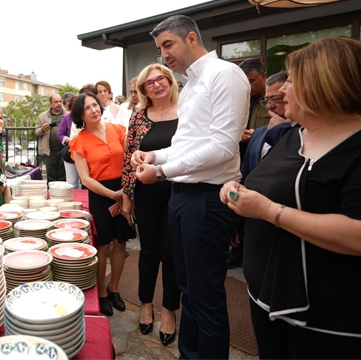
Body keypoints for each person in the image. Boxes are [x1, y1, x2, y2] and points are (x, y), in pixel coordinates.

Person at [220, 37, 361, 359]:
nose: (283, 90)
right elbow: (260, 184)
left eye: (293, 80)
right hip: (265, 296)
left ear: (325, 85)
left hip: (327, 320)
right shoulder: (292, 135)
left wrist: (269, 211)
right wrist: (235, 190)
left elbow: (357, 234)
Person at [131, 15, 249, 359]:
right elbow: (188, 145)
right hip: (182, 199)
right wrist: (153, 155)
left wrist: (163, 171)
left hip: (205, 200)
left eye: (168, 44)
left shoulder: (223, 74)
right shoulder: (193, 84)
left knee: (206, 295)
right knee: (188, 291)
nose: (164, 55)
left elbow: (223, 147)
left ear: (192, 38)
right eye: (159, 49)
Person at [122, 64, 181, 346]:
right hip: (146, 193)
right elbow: (128, 157)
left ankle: (169, 309)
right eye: (149, 83)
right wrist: (126, 195)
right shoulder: (138, 116)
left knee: (171, 254)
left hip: (179, 192)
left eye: (161, 79)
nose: (157, 85)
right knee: (148, 252)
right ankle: (146, 304)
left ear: (170, 81)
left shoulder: (187, 113)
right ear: (143, 90)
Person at [69, 92, 136, 317]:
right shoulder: (78, 141)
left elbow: (130, 158)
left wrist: (124, 191)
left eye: (95, 105)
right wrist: (113, 194)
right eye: (87, 108)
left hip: (123, 189)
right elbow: (86, 179)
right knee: (103, 245)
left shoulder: (117, 130)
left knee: (121, 242)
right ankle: (102, 294)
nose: (94, 110)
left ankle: (114, 288)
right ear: (80, 114)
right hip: (100, 194)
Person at [228, 71, 292, 270]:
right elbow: (246, 177)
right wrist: (238, 225)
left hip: (288, 229)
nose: (271, 105)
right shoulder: (258, 134)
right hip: (255, 231)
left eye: (278, 99)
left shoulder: (305, 137)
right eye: (267, 100)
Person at [58, 85, 97, 189]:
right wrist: (69, 140)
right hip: (72, 154)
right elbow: (60, 135)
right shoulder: (67, 118)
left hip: (91, 156)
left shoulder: (103, 116)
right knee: (72, 183)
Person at [36, 94, 66, 183]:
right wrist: (42, 129)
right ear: (50, 103)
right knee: (51, 178)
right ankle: (52, 195)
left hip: (64, 150)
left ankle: (62, 196)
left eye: (60, 101)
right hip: (49, 152)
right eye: (56, 102)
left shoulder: (68, 115)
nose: (59, 104)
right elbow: (36, 132)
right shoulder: (43, 116)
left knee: (63, 178)